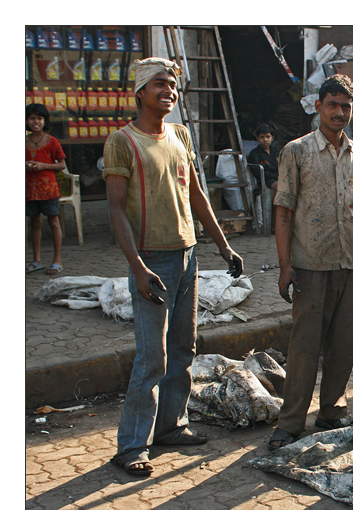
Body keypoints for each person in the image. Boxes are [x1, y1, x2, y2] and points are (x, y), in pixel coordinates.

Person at [103, 57, 244, 477]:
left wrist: (223, 245)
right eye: (160, 84)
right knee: (152, 357)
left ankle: (171, 427)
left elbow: (197, 197)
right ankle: (131, 447)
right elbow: (115, 210)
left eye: (173, 86)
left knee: (184, 349)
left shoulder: (180, 135)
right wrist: (138, 267)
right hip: (152, 260)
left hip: (187, 256)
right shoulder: (122, 142)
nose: (169, 91)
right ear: (141, 91)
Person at [268, 74, 353, 449]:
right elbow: (283, 213)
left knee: (344, 346)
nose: (339, 112)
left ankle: (331, 415)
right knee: (304, 348)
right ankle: (290, 424)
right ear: (318, 106)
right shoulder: (296, 151)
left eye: (346, 106)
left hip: (352, 266)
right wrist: (284, 265)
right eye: (333, 104)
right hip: (311, 266)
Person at [26, 102, 67, 275]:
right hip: (29, 190)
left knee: (54, 222)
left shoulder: (52, 141)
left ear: (45, 121)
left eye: (39, 118)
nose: (36, 122)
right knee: (34, 223)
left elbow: (62, 165)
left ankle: (57, 260)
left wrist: (43, 165)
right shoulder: (23, 142)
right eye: (32, 118)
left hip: (49, 189)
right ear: (27, 121)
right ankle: (36, 260)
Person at [247, 122, 281, 194]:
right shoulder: (255, 153)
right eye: (262, 137)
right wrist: (276, 176)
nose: (265, 140)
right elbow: (257, 173)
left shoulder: (276, 152)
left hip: (279, 177)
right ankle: (275, 205)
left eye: (268, 137)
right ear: (257, 139)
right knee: (279, 186)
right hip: (265, 180)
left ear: (272, 138)